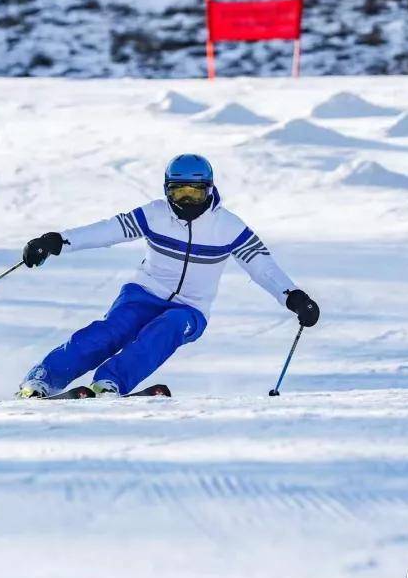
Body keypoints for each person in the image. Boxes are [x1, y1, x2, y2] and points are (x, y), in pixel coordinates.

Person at [17, 154, 319, 398]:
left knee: (167, 328)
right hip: (143, 294)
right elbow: (109, 230)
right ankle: (43, 379)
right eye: (179, 192)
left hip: (191, 308)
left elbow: (260, 264)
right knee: (112, 331)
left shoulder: (229, 227)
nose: (187, 201)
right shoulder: (155, 215)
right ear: (166, 190)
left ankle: (110, 383)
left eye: (195, 192)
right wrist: (57, 241)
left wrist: (292, 296)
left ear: (210, 190)